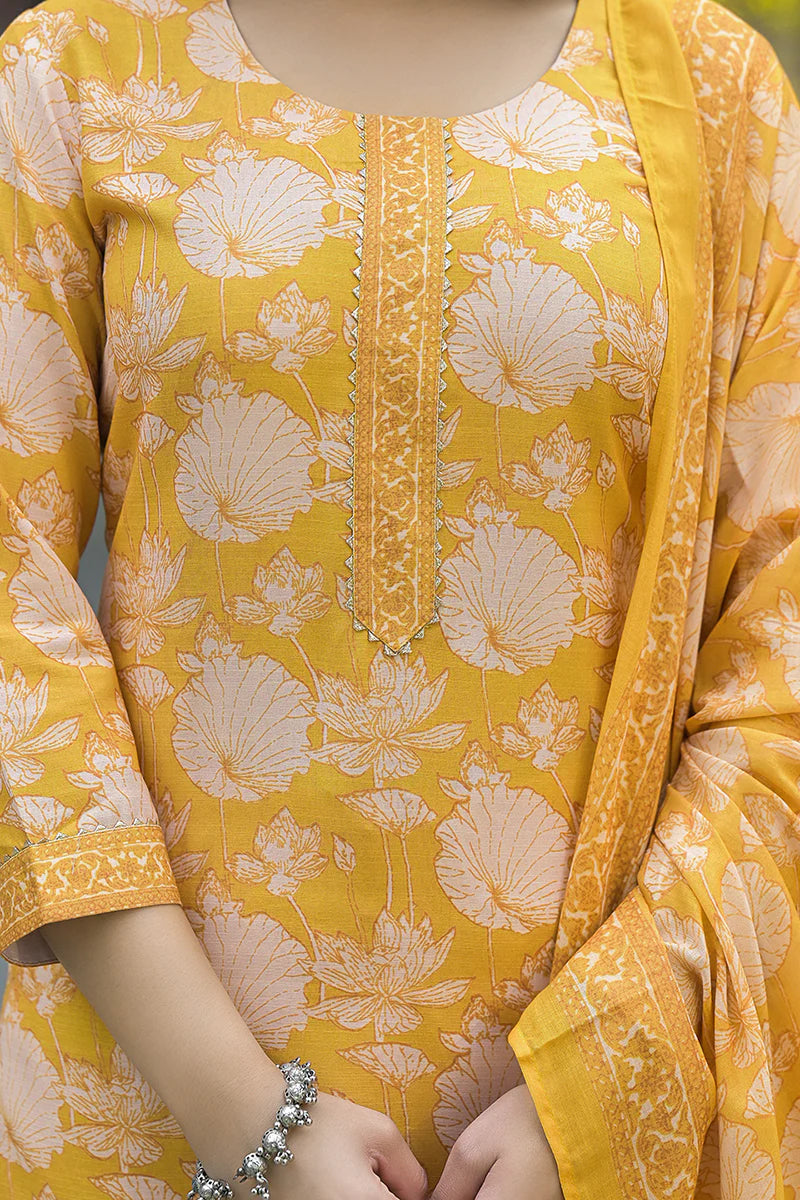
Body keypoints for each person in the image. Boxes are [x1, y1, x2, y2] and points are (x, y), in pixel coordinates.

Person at [0, 0, 798, 1192]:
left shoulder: (712, 90)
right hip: (143, 1112)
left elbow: (777, 642)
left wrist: (599, 1089)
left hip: (594, 1141)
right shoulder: (78, 67)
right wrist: (244, 1119)